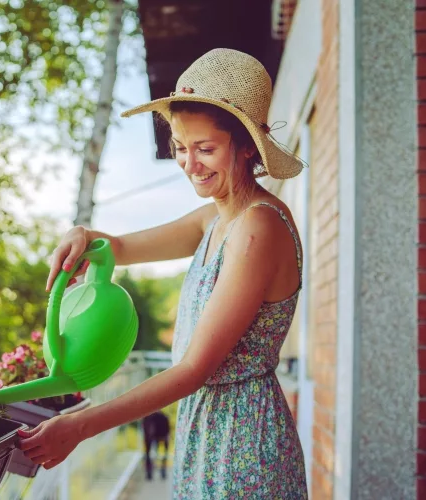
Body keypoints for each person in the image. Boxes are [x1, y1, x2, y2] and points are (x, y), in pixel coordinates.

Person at [17, 48, 308, 499]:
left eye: (205, 149)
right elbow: (117, 247)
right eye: (179, 148)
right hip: (206, 427)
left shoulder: (258, 227)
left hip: (241, 438)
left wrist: (78, 426)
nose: (189, 165)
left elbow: (194, 369)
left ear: (247, 144)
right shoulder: (214, 219)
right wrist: (82, 235)